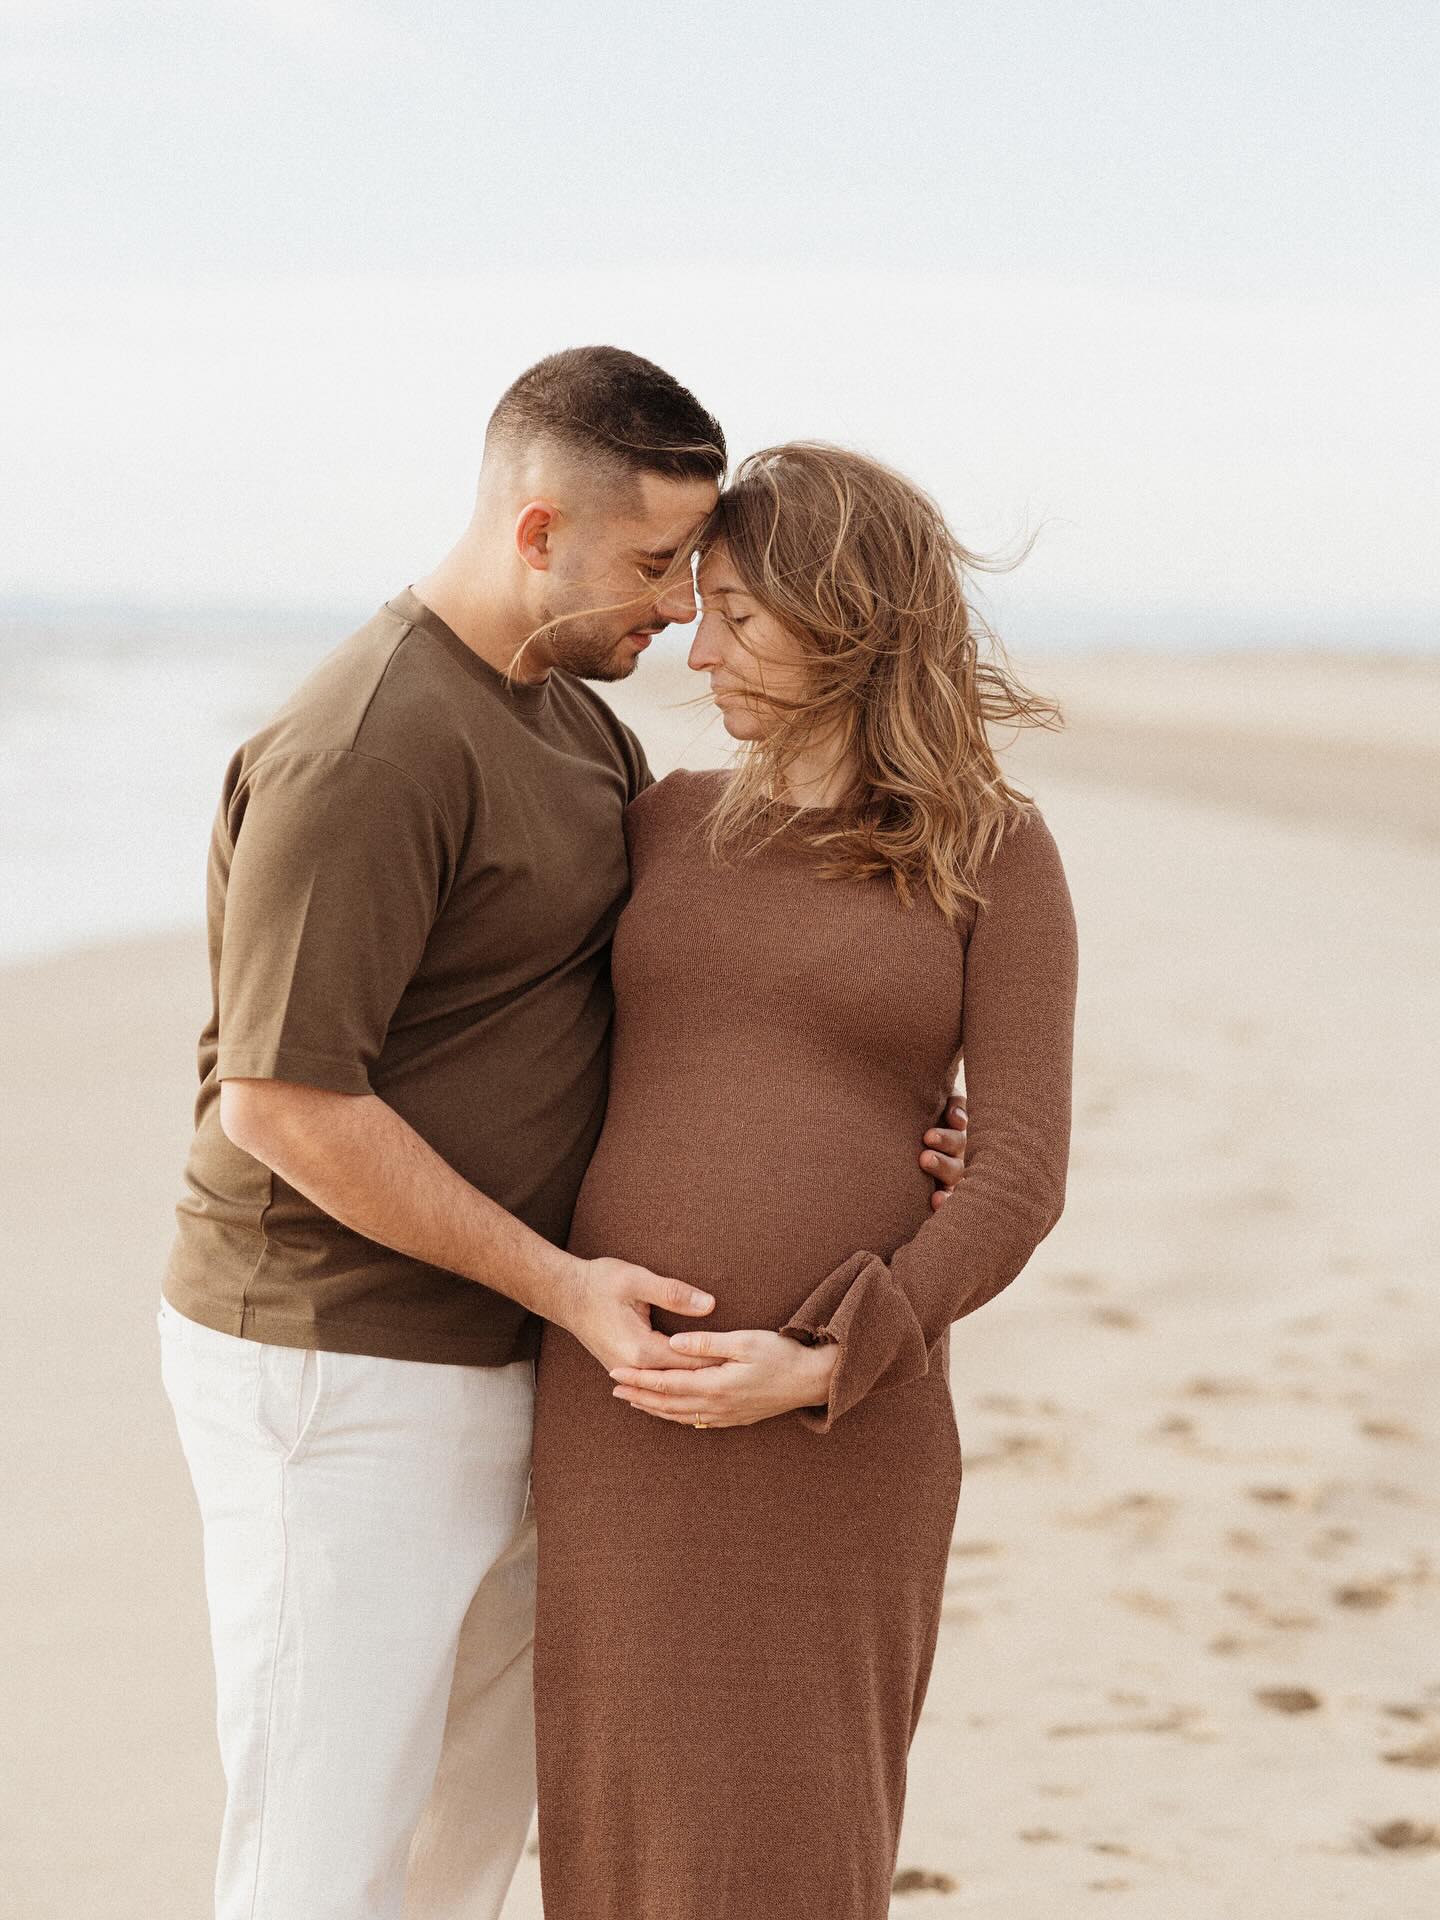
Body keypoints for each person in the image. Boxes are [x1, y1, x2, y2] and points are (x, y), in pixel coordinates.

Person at [158, 350, 968, 1920]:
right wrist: (563, 1283)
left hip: (519, 1358)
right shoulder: (367, 747)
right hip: (338, 1363)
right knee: (321, 1856)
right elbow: (280, 1102)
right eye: (659, 565)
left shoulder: (572, 730)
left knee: (464, 1848)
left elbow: (663, 992)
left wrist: (874, 1122)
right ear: (539, 532)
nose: (680, 610)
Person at [531, 442, 1079, 1919]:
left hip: (849, 1432)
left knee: (795, 1836)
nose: (699, 651)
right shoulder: (659, 823)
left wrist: (826, 1360)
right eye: (697, 609)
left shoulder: (992, 853)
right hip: (618, 1409)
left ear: (851, 619)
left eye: (741, 620)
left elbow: (1019, 1172)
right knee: (621, 1822)